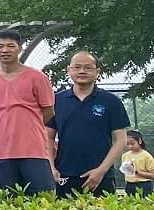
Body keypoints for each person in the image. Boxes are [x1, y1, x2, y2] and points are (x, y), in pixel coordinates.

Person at [0, 28, 55, 192]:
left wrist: (29, 125)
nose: (5, 50)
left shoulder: (38, 77)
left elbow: (49, 110)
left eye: (10, 46)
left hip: (34, 151)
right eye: (0, 46)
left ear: (20, 48)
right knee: (6, 201)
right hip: (1, 152)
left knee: (42, 198)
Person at [54, 50, 130, 195]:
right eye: (77, 67)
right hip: (63, 175)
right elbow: (47, 137)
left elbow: (120, 140)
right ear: (69, 70)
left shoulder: (111, 101)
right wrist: (51, 168)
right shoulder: (56, 101)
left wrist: (101, 170)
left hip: (101, 176)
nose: (82, 71)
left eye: (88, 67)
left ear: (97, 72)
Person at [123, 130, 154, 196]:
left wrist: (136, 172)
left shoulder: (146, 156)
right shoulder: (125, 155)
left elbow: (152, 175)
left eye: (132, 143)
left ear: (139, 141)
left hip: (144, 185)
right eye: (127, 144)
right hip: (129, 185)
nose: (130, 146)